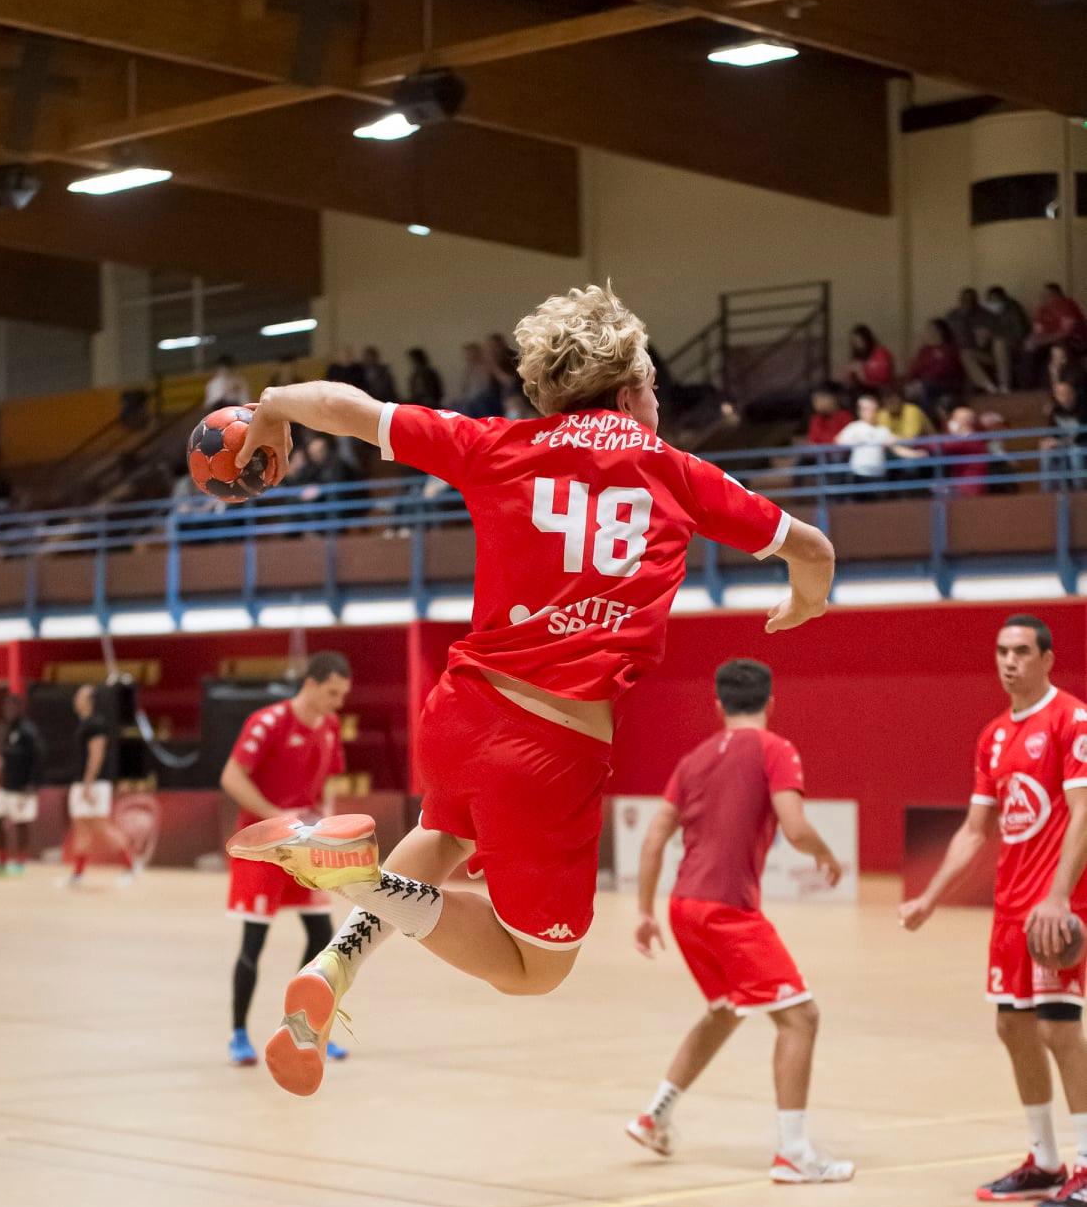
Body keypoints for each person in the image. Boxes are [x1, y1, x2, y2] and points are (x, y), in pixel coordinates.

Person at [227, 281, 835, 1097]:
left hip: (458, 710)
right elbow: (813, 548)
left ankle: (333, 967)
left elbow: (344, 406)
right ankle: (355, 877)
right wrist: (805, 598)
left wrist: (269, 408)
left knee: (442, 839)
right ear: (628, 394)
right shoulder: (679, 473)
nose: (657, 400)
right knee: (533, 969)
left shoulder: (495, 445)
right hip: (548, 749)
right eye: (654, 387)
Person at [627, 659, 852, 1182]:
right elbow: (794, 827)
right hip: (728, 907)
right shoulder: (777, 749)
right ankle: (793, 1153)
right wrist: (826, 855)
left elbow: (655, 836)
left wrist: (642, 911)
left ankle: (652, 1115)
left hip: (684, 907)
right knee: (801, 1018)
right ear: (771, 703)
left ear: (718, 706)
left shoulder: (694, 759)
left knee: (725, 1010)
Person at [899, 615, 1087, 1207]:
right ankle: (1045, 1160)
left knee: (1060, 1029)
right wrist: (930, 897)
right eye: (1002, 651)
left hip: (1057, 905)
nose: (1009, 661)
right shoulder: (994, 736)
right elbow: (976, 829)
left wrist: (1059, 894)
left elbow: (1083, 812)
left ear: (1047, 658)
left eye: (1022, 652)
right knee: (1012, 1029)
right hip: (1011, 910)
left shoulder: (1072, 719)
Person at [221, 653, 352, 1068]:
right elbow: (231, 776)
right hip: (261, 845)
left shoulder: (330, 727)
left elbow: (328, 781)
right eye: (332, 692)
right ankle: (239, 1033)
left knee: (322, 939)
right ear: (310, 684)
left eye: (342, 694)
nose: (338, 702)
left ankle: (301, 1027)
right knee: (253, 944)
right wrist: (272, 814)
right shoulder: (268, 722)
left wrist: (326, 825)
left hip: (303, 844)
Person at [63, 684, 135, 888]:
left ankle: (130, 865)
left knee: (101, 826)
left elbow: (97, 754)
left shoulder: (96, 724)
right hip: (81, 782)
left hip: (93, 783)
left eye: (79, 696)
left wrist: (88, 783)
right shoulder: (83, 724)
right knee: (81, 827)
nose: (75, 699)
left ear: (89, 701)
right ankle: (78, 873)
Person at [0, 692, 44, 877]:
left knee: (21, 823)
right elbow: (4, 757)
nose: (8, 710)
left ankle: (20, 863)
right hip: (4, 787)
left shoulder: (28, 731)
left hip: (22, 787)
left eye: (12, 707)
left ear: (20, 708)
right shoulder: (8, 730)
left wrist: (33, 783)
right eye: (5, 707)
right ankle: (1, 861)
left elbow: (38, 758)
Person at [836, 393, 922, 496]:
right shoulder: (855, 427)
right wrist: (855, 441)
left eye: (873, 409)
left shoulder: (882, 430)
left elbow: (897, 448)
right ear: (860, 411)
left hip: (878, 475)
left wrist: (916, 454)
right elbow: (838, 441)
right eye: (866, 409)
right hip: (859, 474)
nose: (871, 412)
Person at [1024, 284, 1087, 382]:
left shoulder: (1067, 305)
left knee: (1057, 348)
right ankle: (1026, 387)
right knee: (1028, 348)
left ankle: (1056, 386)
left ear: (1056, 294)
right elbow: (1037, 330)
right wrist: (1031, 341)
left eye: (1047, 294)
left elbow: (1066, 332)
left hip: (1074, 342)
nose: (1043, 297)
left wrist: (1042, 341)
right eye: (1043, 294)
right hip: (1048, 342)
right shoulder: (1043, 309)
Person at [944, 288, 1001, 393]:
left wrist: (985, 338)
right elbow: (944, 337)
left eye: (970, 300)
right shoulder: (952, 317)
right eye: (965, 300)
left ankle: (989, 387)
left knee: (966, 355)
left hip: (984, 354)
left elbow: (992, 338)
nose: (967, 303)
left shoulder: (986, 316)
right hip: (954, 354)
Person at [1038, 378, 1087, 491]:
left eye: (1067, 392)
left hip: (1082, 444)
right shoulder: (1055, 411)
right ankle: (1045, 493)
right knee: (1046, 451)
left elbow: (1081, 437)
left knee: (1075, 452)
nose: (1064, 396)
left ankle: (1079, 492)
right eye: (1059, 393)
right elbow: (1052, 432)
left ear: (1074, 393)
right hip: (1064, 444)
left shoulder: (1083, 409)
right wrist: (1047, 442)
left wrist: (1060, 442)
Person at [907, 319, 963, 412]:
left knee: (925, 389)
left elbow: (943, 371)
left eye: (929, 330)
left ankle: (928, 419)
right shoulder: (924, 350)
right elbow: (914, 369)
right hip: (923, 383)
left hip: (944, 385)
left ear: (939, 332)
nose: (926, 333)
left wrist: (921, 383)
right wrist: (912, 382)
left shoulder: (949, 350)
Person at [982, 285, 1030, 389]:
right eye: (990, 301)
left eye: (995, 300)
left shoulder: (1013, 310)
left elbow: (1019, 333)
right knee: (967, 353)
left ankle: (1004, 385)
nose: (993, 304)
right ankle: (988, 386)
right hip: (990, 350)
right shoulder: (986, 313)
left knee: (999, 343)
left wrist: (995, 335)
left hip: (1013, 347)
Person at [843, 325, 895, 394]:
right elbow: (848, 382)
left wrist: (861, 374)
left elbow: (882, 382)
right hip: (861, 392)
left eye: (858, 341)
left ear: (866, 339)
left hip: (880, 392)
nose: (856, 344)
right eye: (853, 342)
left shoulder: (881, 354)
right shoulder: (858, 357)